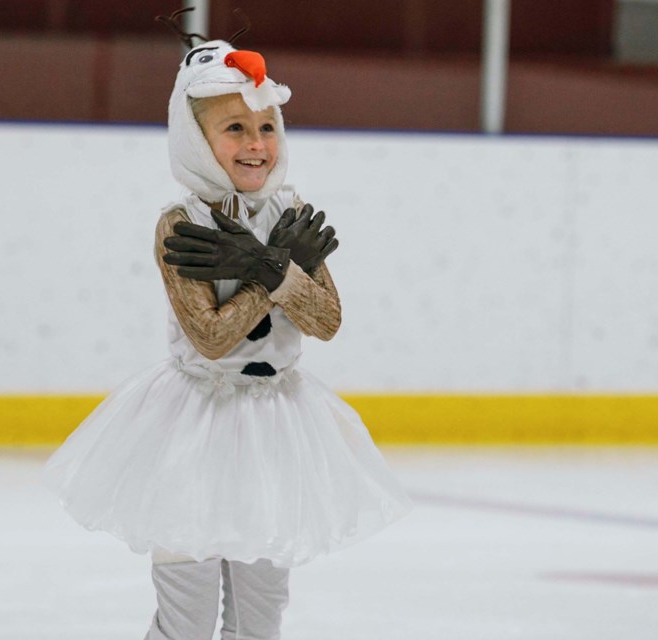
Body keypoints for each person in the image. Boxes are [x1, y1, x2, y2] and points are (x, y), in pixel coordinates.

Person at [43, 29, 412, 640]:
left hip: (277, 428)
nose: (255, 144)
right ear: (195, 139)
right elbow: (212, 339)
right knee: (184, 619)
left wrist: (266, 263)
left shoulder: (290, 213)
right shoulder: (180, 224)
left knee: (260, 617)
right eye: (233, 128)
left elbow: (326, 320)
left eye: (266, 127)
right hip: (192, 426)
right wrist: (272, 274)